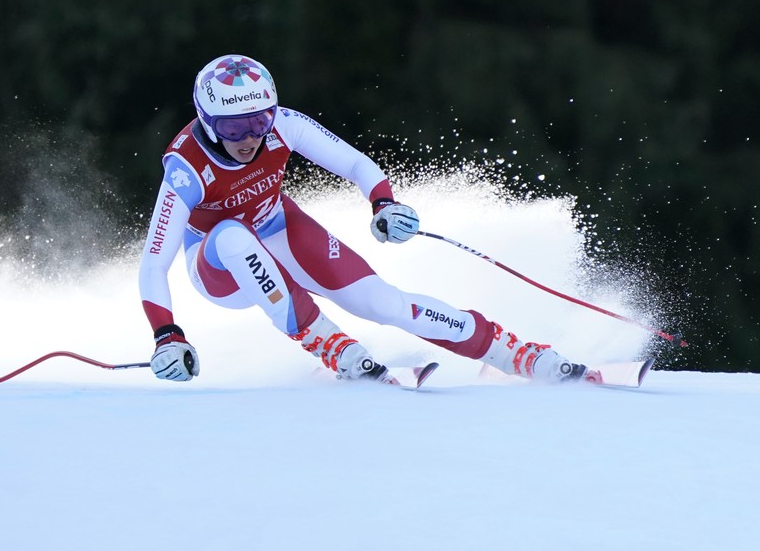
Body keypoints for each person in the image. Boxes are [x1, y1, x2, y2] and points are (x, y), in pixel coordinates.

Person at [138, 54, 599, 385]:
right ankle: (329, 343)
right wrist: (167, 336)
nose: (250, 138)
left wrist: (384, 204)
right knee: (236, 235)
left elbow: (357, 165)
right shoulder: (186, 167)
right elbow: (154, 265)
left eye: (258, 122)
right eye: (234, 129)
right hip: (220, 265)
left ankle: (513, 353)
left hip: (279, 228)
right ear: (207, 121)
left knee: (383, 303)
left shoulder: (286, 125)